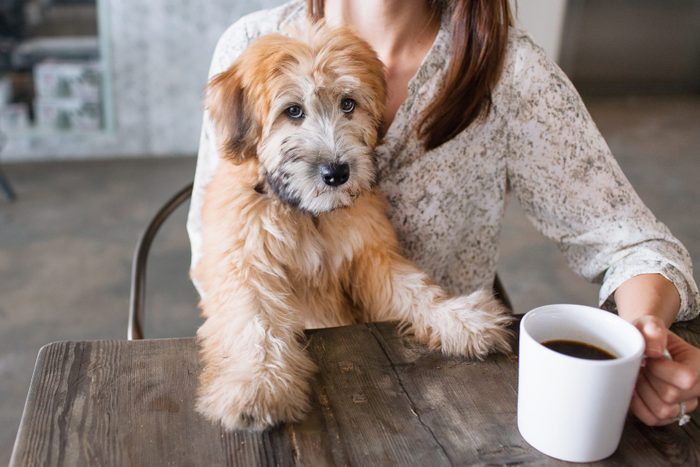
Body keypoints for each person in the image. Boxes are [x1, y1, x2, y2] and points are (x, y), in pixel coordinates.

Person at [187, 0, 700, 426]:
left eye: (350, 107)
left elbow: (632, 242)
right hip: (291, 377)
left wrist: (644, 334)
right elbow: (217, 249)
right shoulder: (250, 43)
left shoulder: (509, 73)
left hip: (451, 385)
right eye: (293, 112)